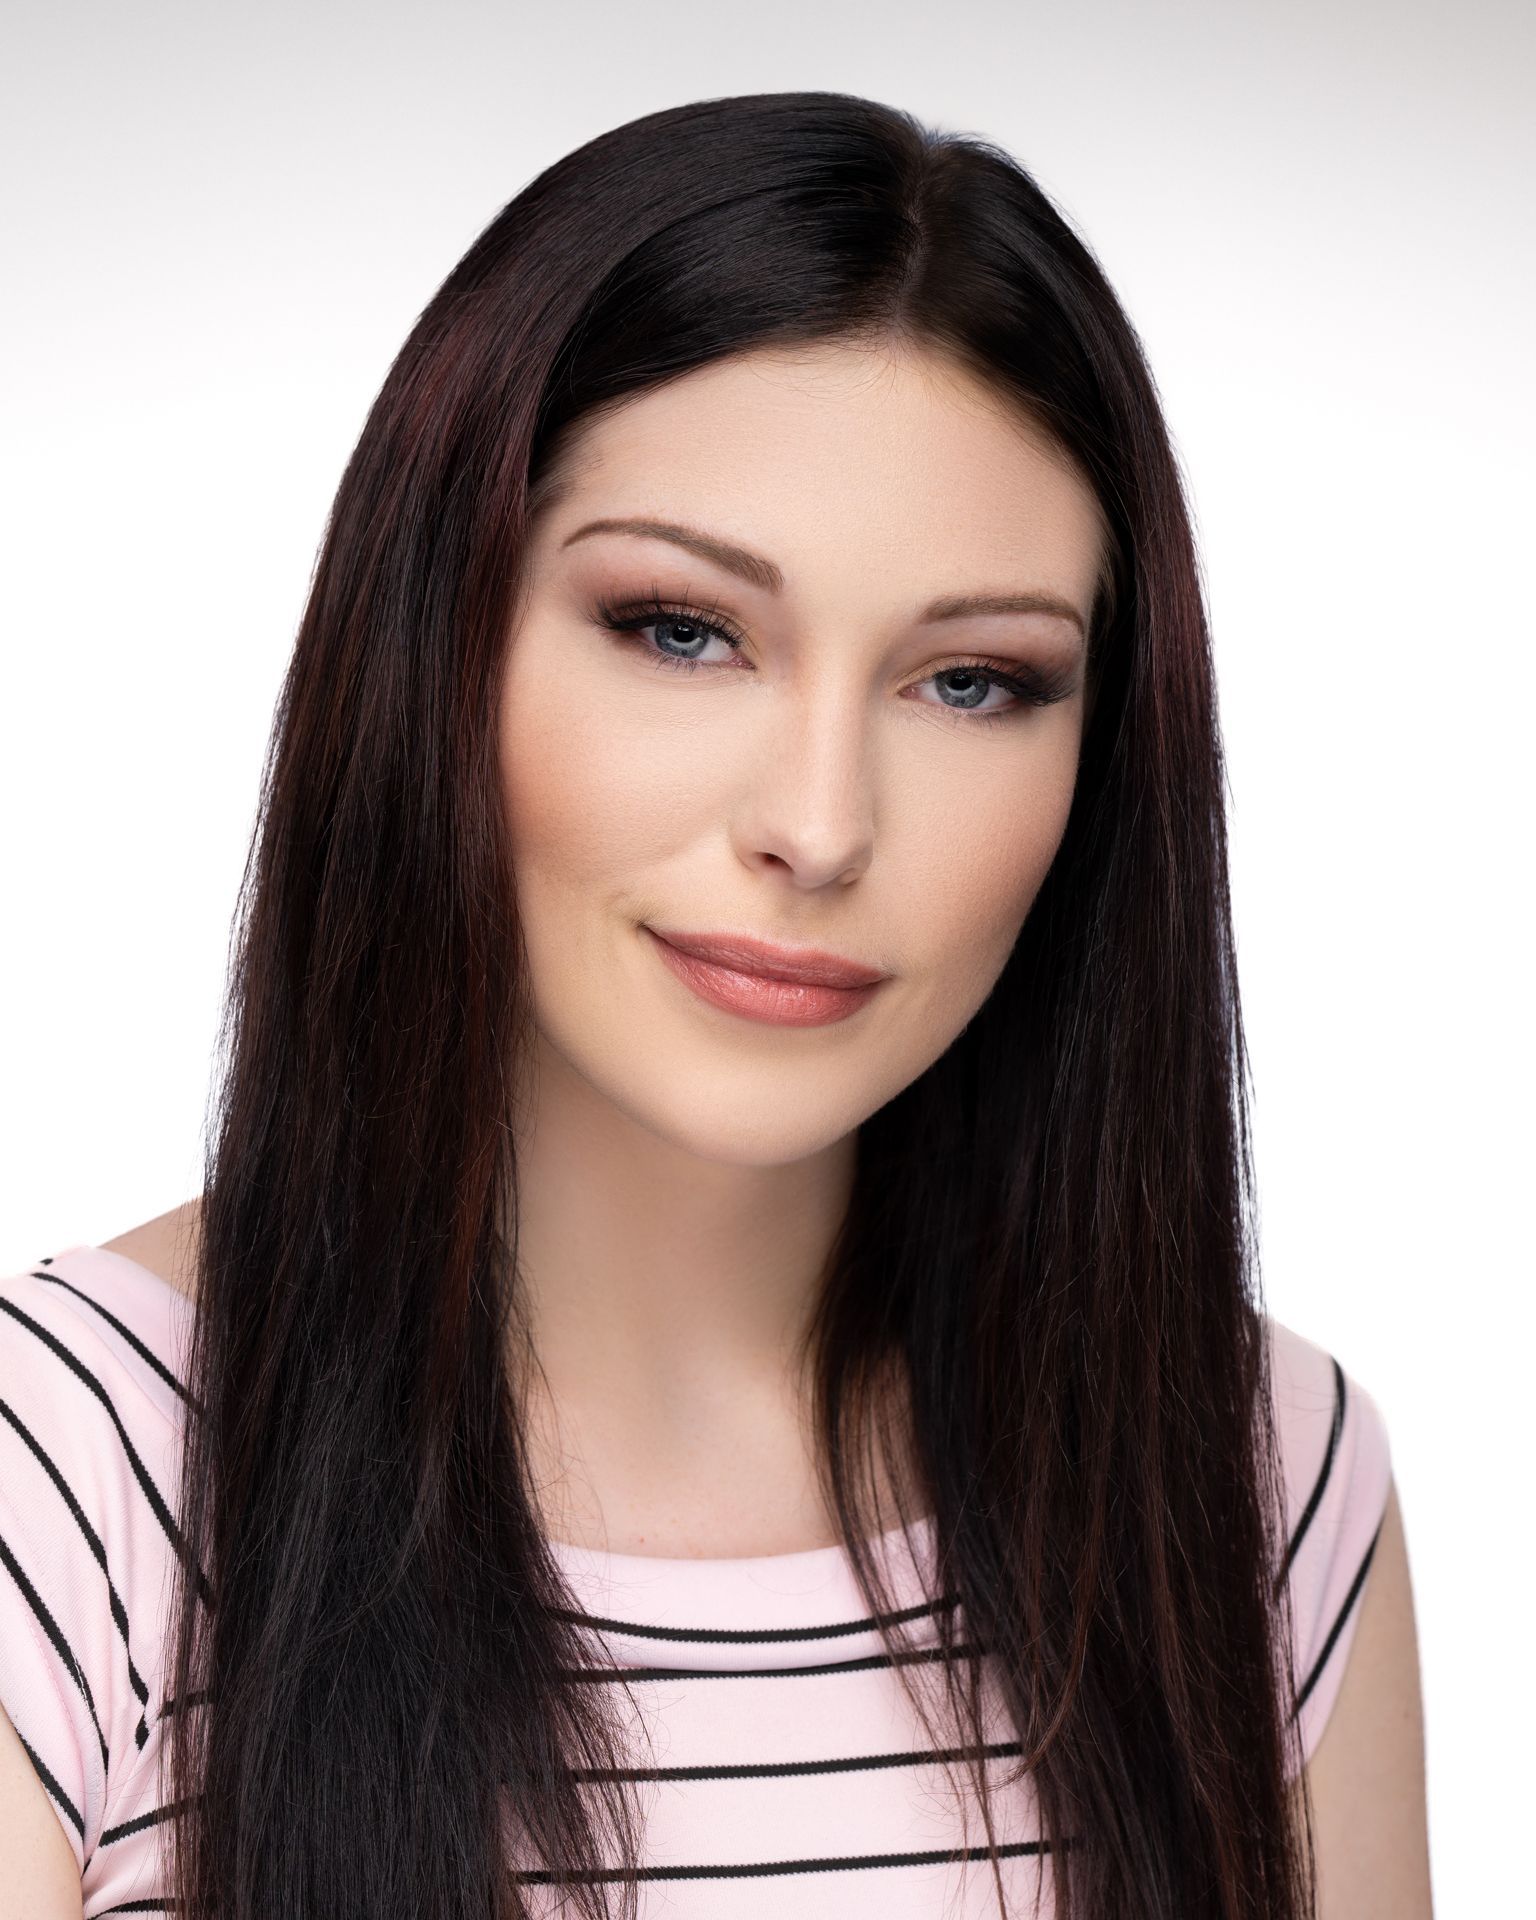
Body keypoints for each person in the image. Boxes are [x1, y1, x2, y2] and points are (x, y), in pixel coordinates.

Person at [0, 90, 1430, 1920]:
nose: (821, 825)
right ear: (436, 640)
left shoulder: (1252, 1486)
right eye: (684, 631)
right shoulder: (71, 1482)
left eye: (976, 681)